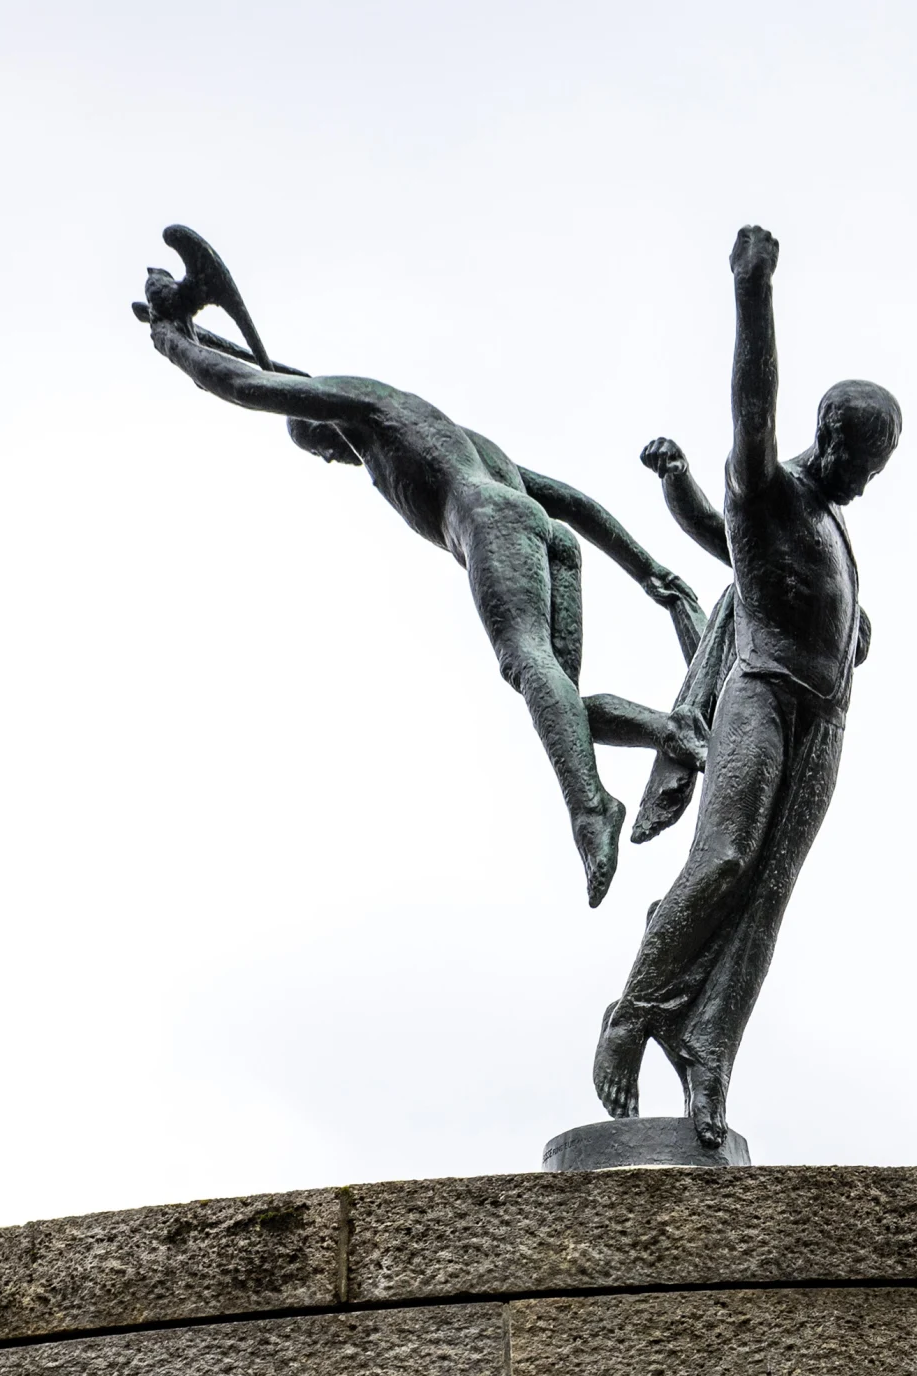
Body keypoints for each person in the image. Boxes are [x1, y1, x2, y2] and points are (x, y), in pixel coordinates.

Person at [138, 233, 708, 906]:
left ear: (328, 422)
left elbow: (252, 386)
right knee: (560, 707)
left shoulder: (367, 407)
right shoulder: (448, 434)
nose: (334, 458)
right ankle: (670, 731)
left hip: (490, 527)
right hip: (545, 537)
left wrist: (175, 344)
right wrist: (648, 569)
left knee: (526, 663)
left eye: (324, 447)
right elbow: (568, 504)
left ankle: (592, 811)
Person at [590, 225, 902, 1145]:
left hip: (824, 720)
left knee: (771, 889)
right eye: (863, 463)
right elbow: (751, 407)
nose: (867, 483)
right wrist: (752, 292)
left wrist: (852, 630)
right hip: (759, 693)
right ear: (831, 436)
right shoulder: (766, 487)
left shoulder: (832, 524)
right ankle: (632, 1013)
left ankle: (710, 1047)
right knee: (724, 860)